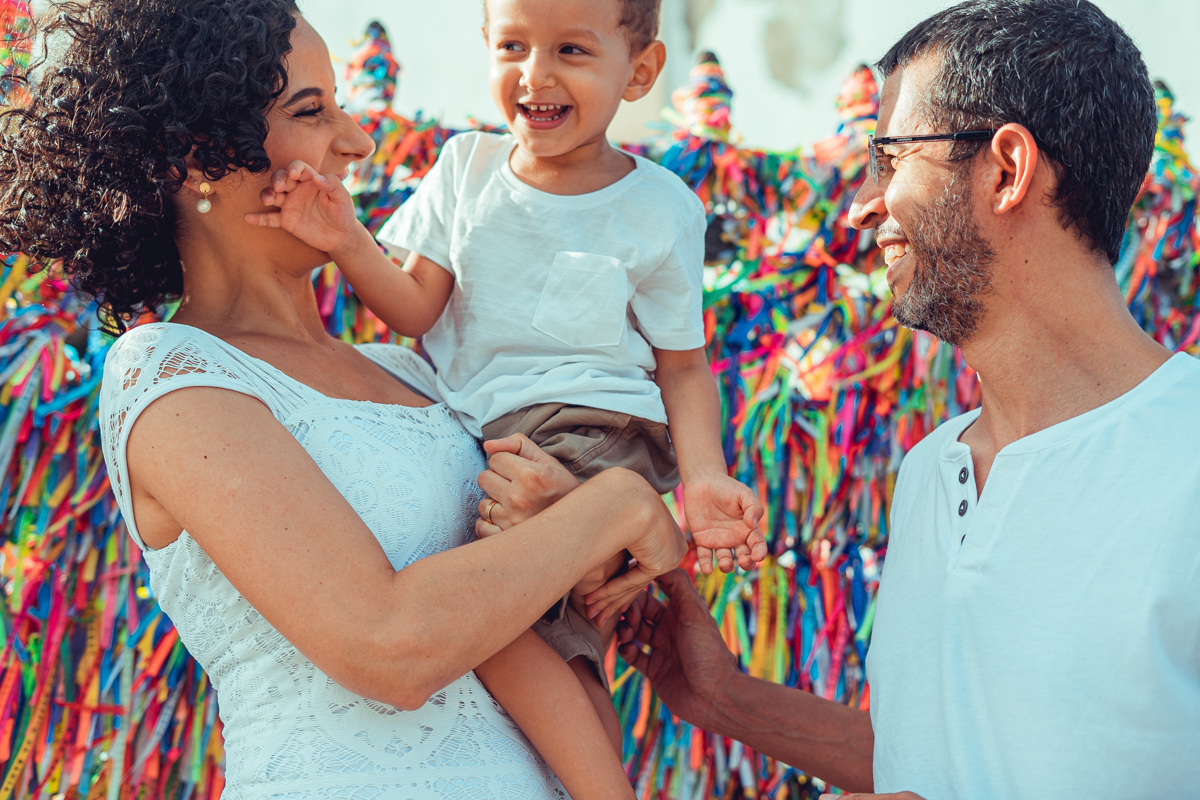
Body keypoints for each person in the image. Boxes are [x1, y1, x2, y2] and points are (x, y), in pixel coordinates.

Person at [0, 2, 689, 798]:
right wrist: (616, 506)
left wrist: (583, 523)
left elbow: (556, 614)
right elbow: (387, 648)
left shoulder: (418, 370)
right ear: (196, 157)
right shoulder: (170, 373)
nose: (358, 140)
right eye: (310, 111)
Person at [615, 1, 1200, 798]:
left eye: (889, 160)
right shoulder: (931, 473)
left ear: (1006, 169)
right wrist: (723, 697)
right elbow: (941, 758)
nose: (860, 205)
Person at [251, 0, 768, 758]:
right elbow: (415, 306)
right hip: (485, 436)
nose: (536, 74)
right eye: (514, 46)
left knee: (495, 616)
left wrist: (704, 480)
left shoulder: (658, 207)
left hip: (594, 432)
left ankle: (598, 783)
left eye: (571, 51)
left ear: (642, 72)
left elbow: (683, 367)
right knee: (553, 629)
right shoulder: (466, 170)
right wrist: (346, 241)